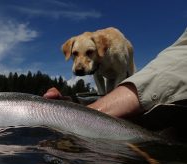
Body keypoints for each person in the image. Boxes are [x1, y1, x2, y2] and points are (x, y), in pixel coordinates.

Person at [44, 28, 187, 140]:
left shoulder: (115, 51)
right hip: (103, 79)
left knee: (127, 75)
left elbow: (121, 74)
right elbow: (97, 75)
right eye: (75, 54)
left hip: (123, 69)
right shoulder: (93, 58)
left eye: (89, 53)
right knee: (99, 77)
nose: (80, 63)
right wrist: (100, 103)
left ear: (100, 48)